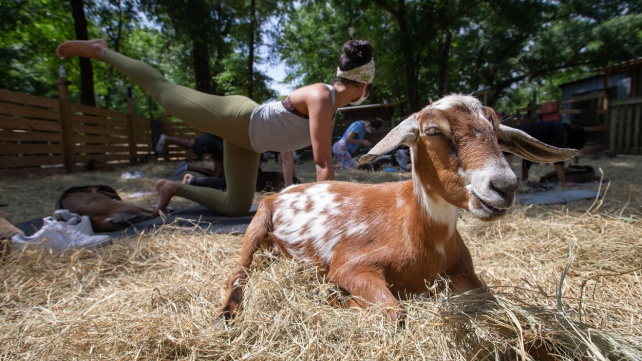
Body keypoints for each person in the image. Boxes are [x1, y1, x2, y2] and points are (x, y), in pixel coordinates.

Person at [56, 39, 375, 216]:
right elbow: (322, 164)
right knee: (164, 91)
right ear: (362, 86)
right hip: (237, 117)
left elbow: (288, 149)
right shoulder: (321, 97)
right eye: (369, 90)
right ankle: (102, 51)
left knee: (237, 207)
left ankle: (173, 187)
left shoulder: (332, 110)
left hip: (248, 144)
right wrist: (333, 213)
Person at [507, 121, 586, 186]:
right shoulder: (560, 131)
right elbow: (558, 159)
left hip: (512, 134)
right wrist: (563, 183)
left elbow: (527, 157)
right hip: (509, 137)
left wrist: (524, 181)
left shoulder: (556, 128)